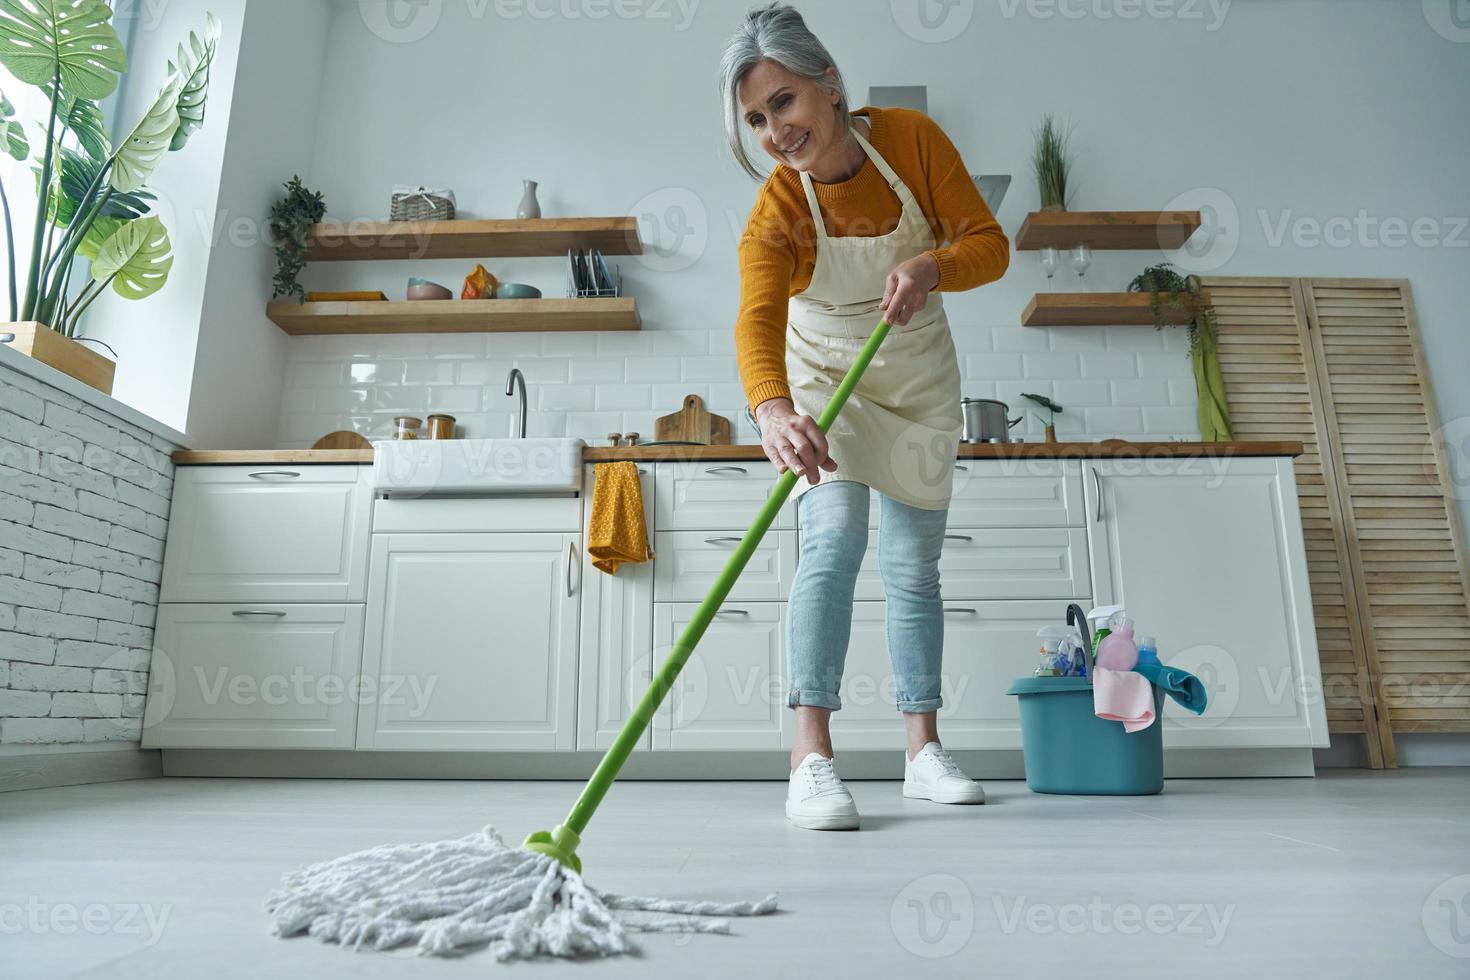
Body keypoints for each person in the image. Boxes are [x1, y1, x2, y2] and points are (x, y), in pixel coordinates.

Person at [720, 2, 1010, 830]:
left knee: (915, 567)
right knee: (834, 539)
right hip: (822, 384)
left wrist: (931, 265)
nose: (775, 131)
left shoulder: (912, 140)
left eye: (783, 103)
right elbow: (756, 325)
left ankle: (922, 752)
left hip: (917, 381)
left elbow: (989, 244)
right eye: (756, 119)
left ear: (830, 83)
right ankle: (810, 758)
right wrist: (773, 411)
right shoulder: (775, 211)